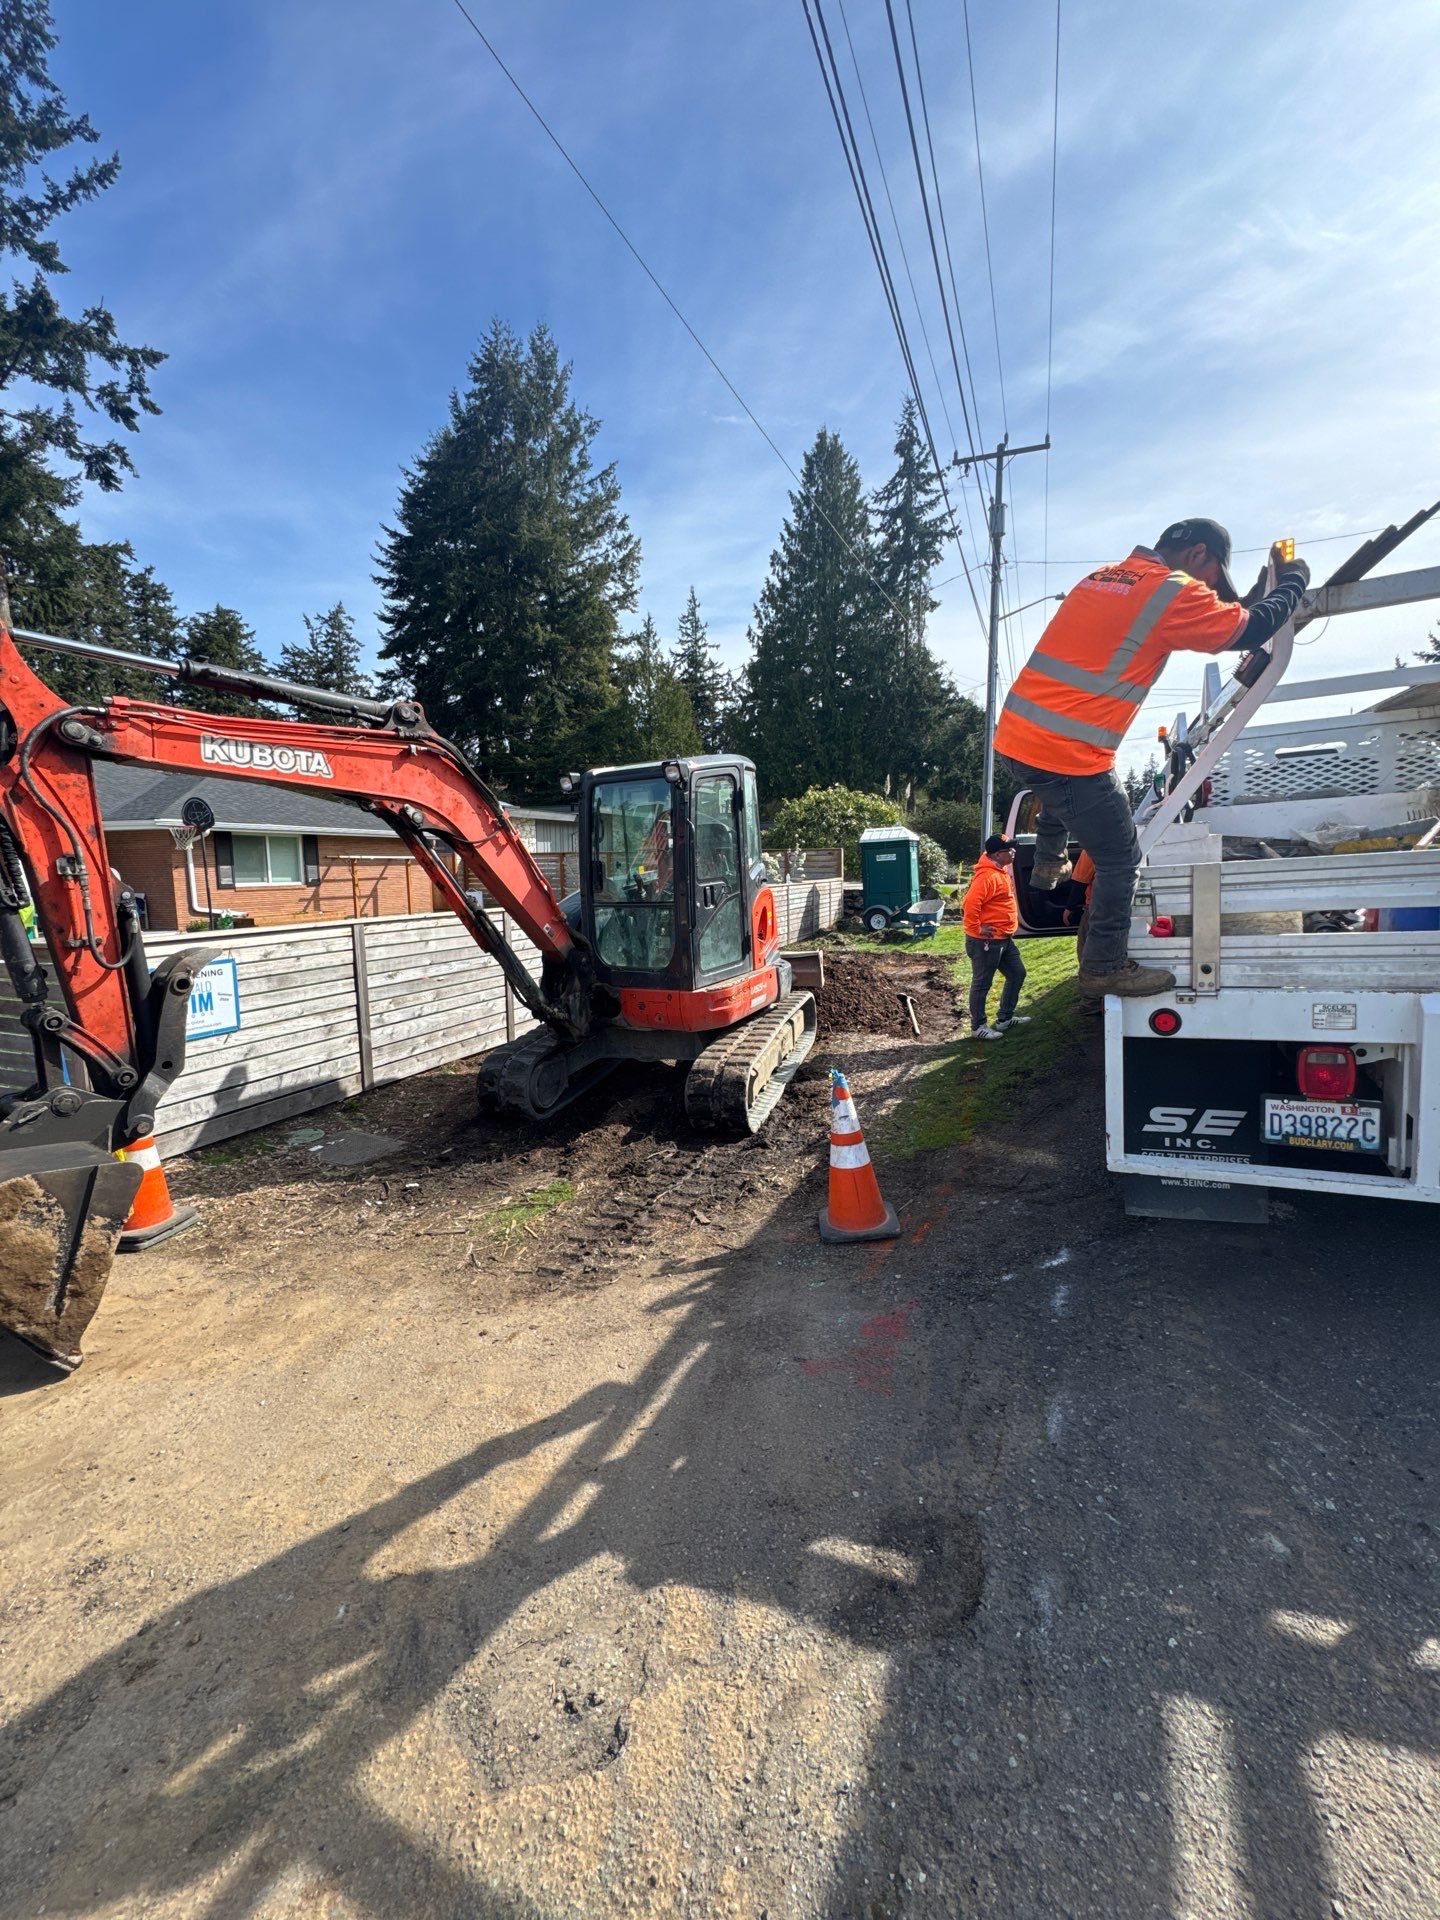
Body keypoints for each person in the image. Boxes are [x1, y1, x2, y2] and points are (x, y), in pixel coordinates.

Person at [994, 520, 1311, 997]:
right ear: (1198, 554)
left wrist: (1252, 594)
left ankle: (1046, 864)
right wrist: (1294, 580)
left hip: (1018, 737)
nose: (1209, 591)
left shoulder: (1105, 577)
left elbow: (1228, 612)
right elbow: (1249, 628)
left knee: (1060, 795)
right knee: (1121, 858)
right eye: (1212, 577)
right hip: (1069, 751)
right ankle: (1103, 967)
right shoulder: (1172, 590)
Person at [962, 833, 1029, 1040]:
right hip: (986, 941)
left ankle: (1005, 1019)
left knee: (1017, 974)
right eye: (1009, 849)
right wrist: (977, 928)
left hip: (1003, 939)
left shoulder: (999, 870)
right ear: (998, 854)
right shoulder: (987, 876)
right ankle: (978, 1027)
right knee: (982, 983)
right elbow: (970, 904)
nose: (1013, 852)